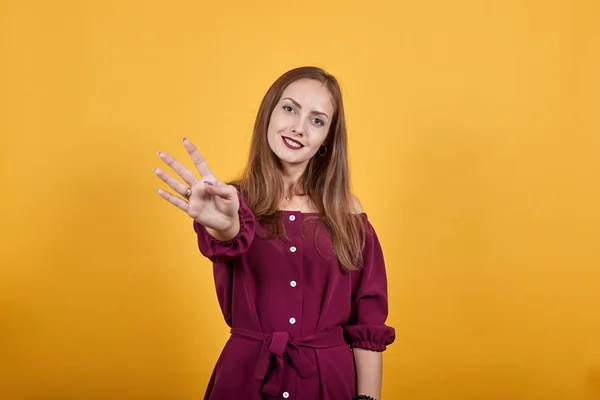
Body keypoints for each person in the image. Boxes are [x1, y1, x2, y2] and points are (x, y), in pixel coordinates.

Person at [154, 66, 395, 400]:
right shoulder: (228, 204)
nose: (298, 127)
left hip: (329, 384)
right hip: (244, 382)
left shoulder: (348, 213)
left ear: (327, 139)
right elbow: (226, 237)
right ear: (268, 113)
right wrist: (222, 227)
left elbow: (367, 320)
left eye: (317, 120)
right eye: (289, 108)